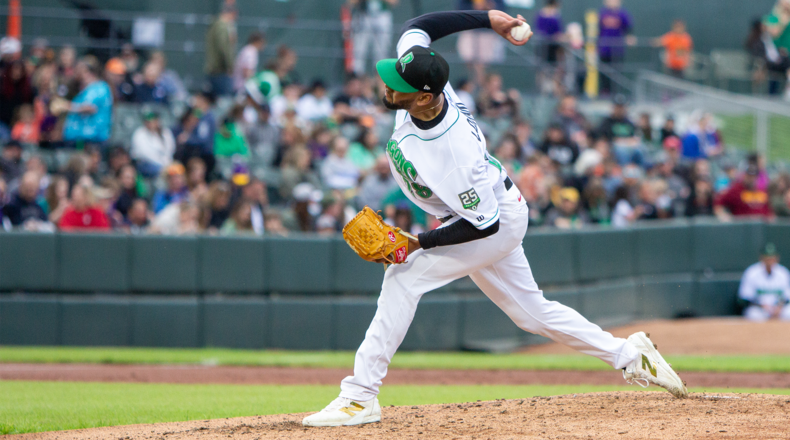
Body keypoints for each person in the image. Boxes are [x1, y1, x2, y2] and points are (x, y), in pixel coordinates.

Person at [302, 8, 687, 429]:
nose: (388, 86)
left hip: (492, 220)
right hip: (482, 208)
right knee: (531, 314)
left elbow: (483, 225)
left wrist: (417, 243)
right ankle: (631, 355)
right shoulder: (421, 82)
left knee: (403, 278)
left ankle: (359, 397)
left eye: (398, 86)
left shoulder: (454, 152)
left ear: (427, 97)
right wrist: (489, 19)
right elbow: (421, 28)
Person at [62, 56, 113, 147]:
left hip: (92, 141)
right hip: (80, 139)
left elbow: (90, 108)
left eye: (81, 71)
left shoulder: (99, 87)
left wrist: (66, 106)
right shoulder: (85, 90)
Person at [739, 243, 790, 322]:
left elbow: (787, 297)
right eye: (767, 257)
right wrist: (761, 305)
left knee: (788, 312)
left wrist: (779, 307)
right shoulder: (752, 272)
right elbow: (745, 298)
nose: (769, 260)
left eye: (772, 257)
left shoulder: (783, 272)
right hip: (760, 309)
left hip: (779, 309)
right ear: (761, 257)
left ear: (777, 258)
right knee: (754, 314)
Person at [348, 0, 399, 75]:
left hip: (382, 15)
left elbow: (394, 2)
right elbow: (351, 2)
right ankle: (357, 79)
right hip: (363, 14)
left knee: (381, 53)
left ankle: (380, 80)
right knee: (359, 52)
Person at [597, 0, 635, 95]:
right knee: (604, 71)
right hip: (604, 48)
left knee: (617, 71)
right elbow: (599, 29)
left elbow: (629, 27)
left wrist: (629, 37)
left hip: (618, 48)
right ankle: (605, 92)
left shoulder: (622, 13)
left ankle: (617, 93)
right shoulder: (602, 13)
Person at [205, 3, 238, 96]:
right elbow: (224, 48)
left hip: (214, 70)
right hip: (221, 71)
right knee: (225, 101)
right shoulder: (222, 26)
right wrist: (230, 66)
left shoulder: (215, 24)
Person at [130, 111, 175, 177]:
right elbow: (145, 154)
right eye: (149, 122)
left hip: (165, 163)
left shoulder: (165, 132)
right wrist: (162, 165)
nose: (151, 124)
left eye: (153, 121)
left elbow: (171, 148)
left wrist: (167, 163)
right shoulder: (139, 133)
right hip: (145, 163)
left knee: (177, 170)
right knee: (163, 171)